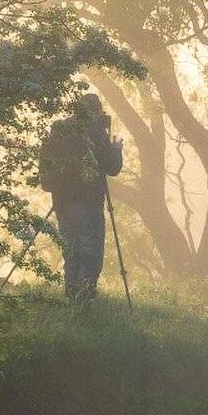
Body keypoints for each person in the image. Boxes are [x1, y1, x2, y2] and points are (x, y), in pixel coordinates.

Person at [38, 92, 123, 299]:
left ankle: (71, 298)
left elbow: (47, 167)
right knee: (91, 255)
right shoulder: (94, 131)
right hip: (88, 203)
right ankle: (83, 300)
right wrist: (116, 150)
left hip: (62, 203)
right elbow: (111, 167)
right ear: (95, 111)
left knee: (71, 253)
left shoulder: (59, 131)